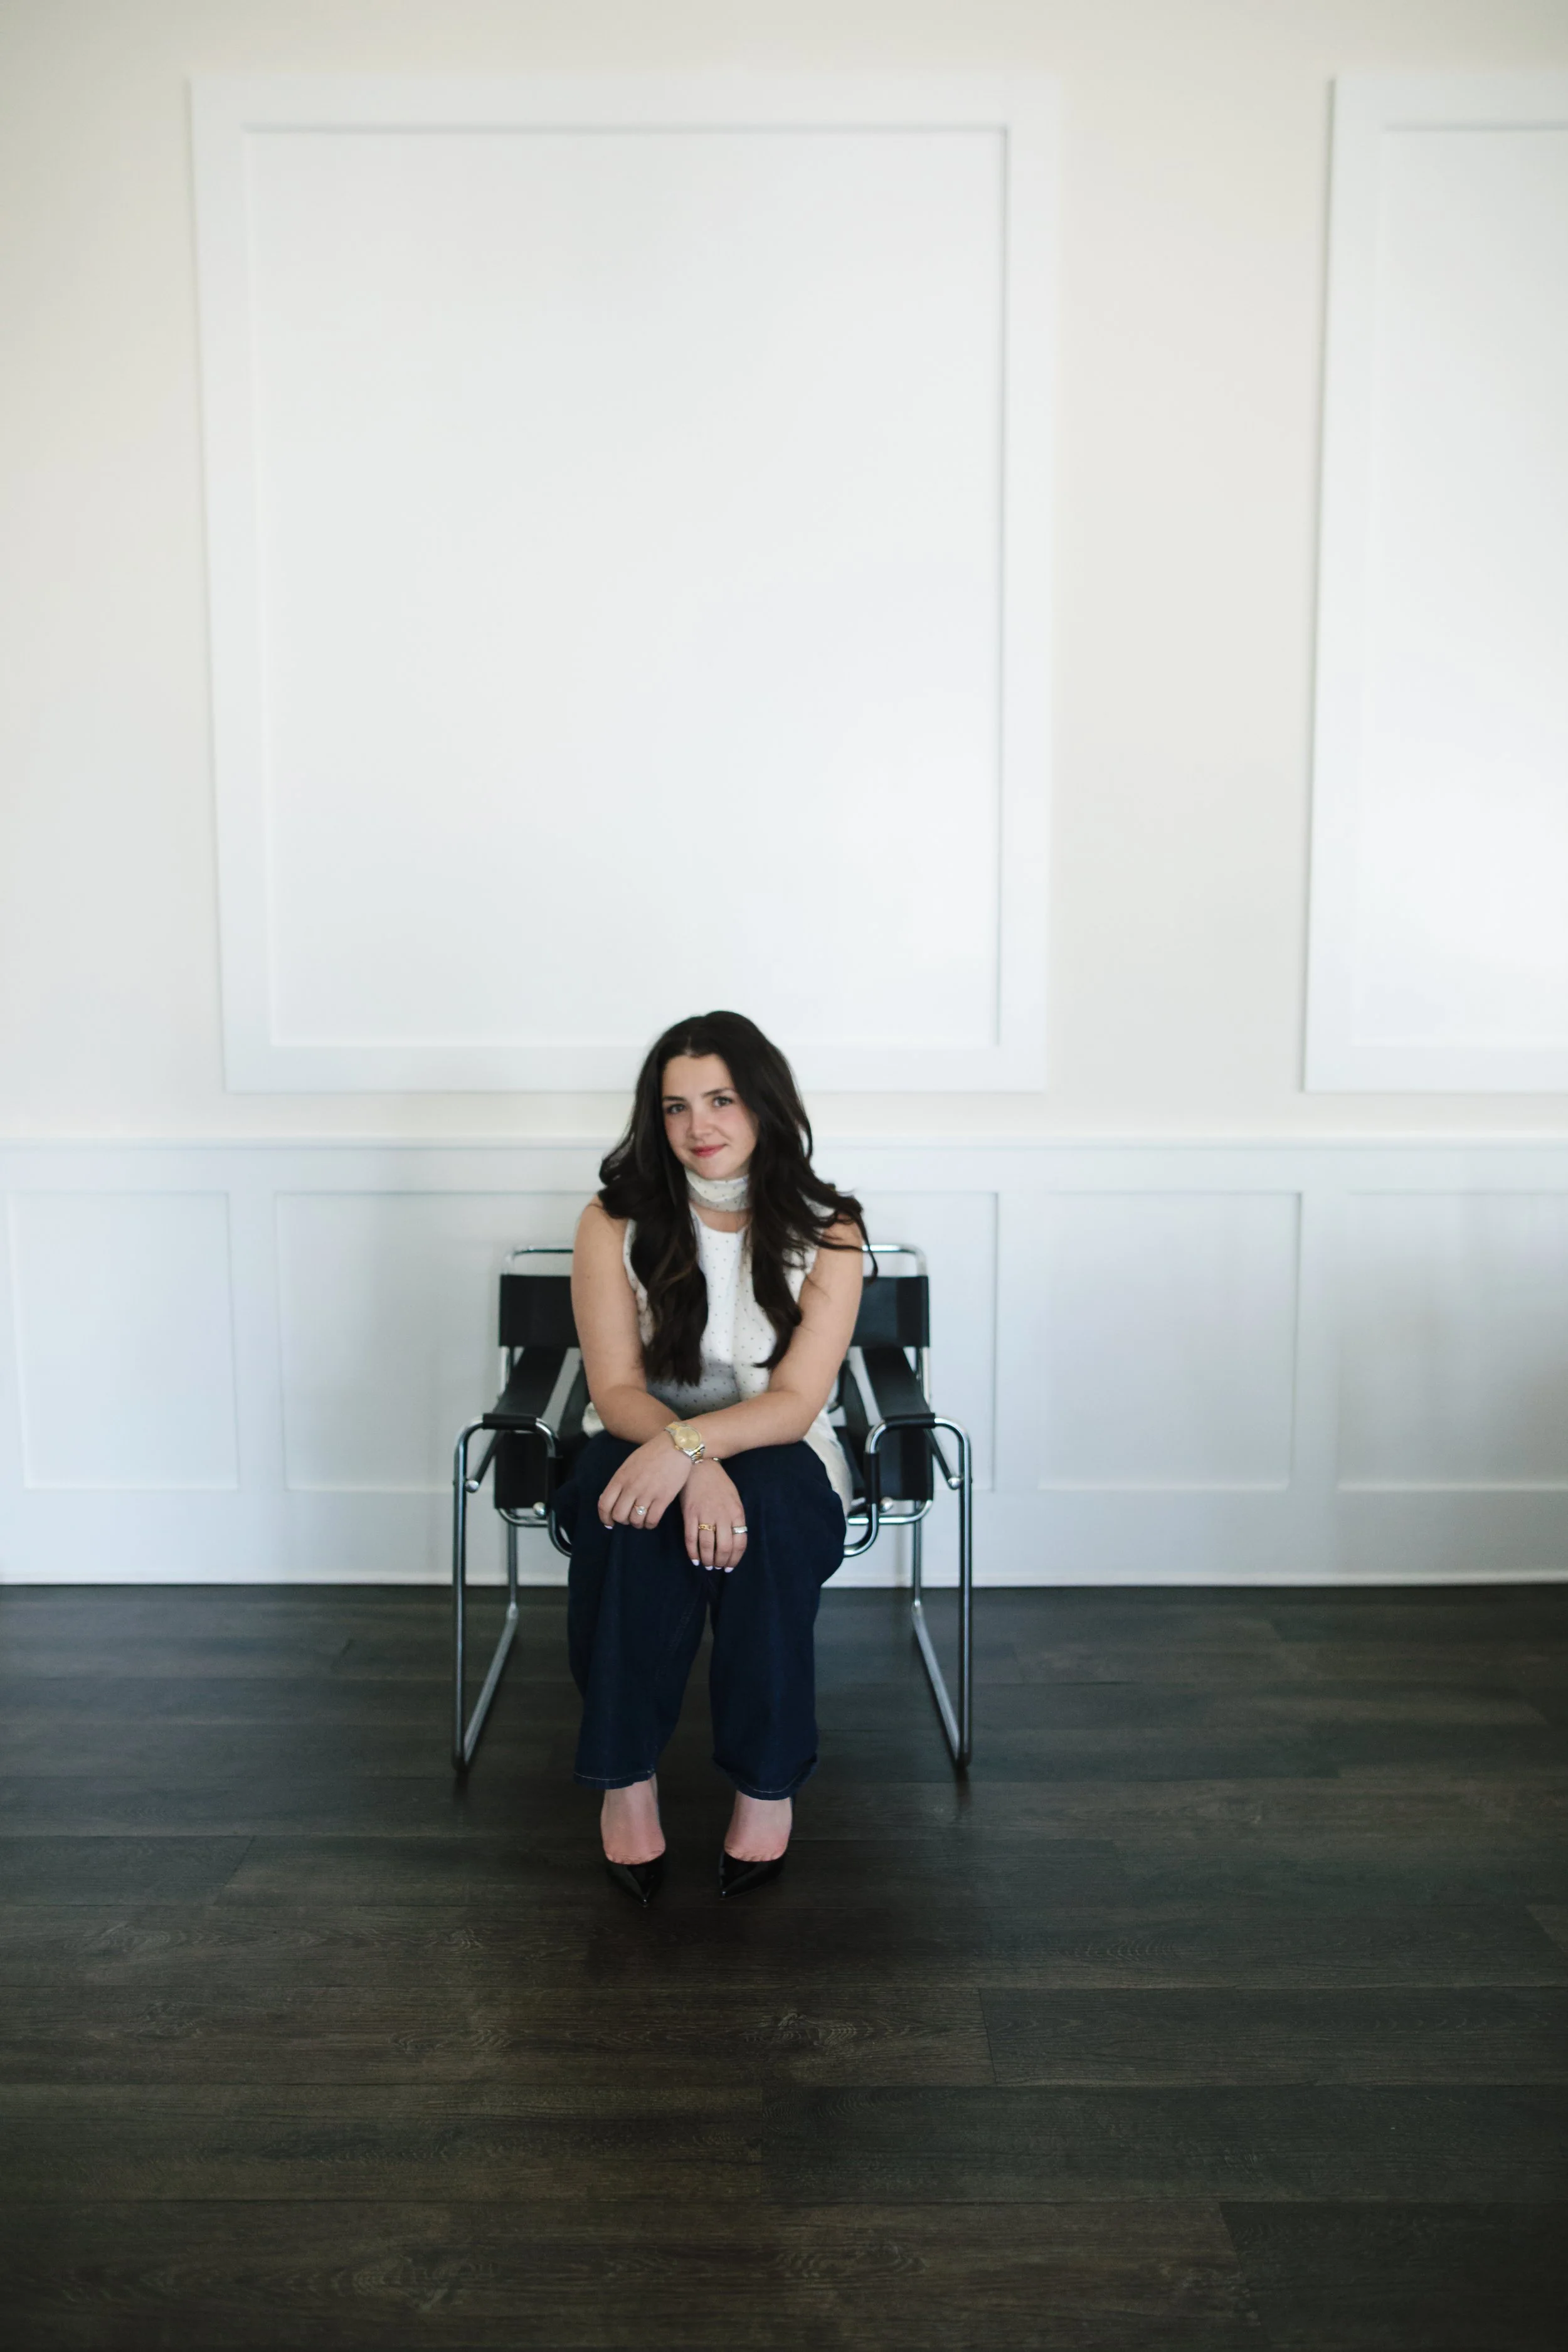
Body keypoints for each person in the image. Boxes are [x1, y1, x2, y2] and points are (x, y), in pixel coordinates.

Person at [564, 1010, 866, 1902]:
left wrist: (697, 1449)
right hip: (635, 1435)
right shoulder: (611, 1222)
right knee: (625, 1512)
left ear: (766, 1103)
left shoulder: (829, 1228)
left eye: (722, 1099)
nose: (700, 1126)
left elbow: (796, 1400)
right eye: (676, 1106)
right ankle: (625, 1778)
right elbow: (616, 1387)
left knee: (766, 1508)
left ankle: (767, 1783)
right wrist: (683, 1458)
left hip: (783, 1448)